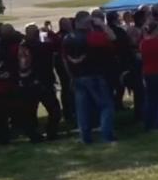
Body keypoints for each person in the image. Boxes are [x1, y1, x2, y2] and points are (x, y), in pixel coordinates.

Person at [64, 11, 117, 144]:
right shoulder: (92, 37)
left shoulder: (67, 38)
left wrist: (71, 76)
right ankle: (107, 134)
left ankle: (85, 137)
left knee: (82, 109)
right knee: (106, 105)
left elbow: (65, 59)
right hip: (94, 74)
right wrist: (102, 24)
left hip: (77, 76)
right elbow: (112, 38)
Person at [18, 24, 62, 141]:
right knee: (54, 110)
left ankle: (33, 135)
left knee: (30, 112)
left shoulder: (22, 47)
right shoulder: (42, 46)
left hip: (27, 84)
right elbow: (57, 45)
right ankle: (51, 132)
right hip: (44, 83)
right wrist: (49, 33)